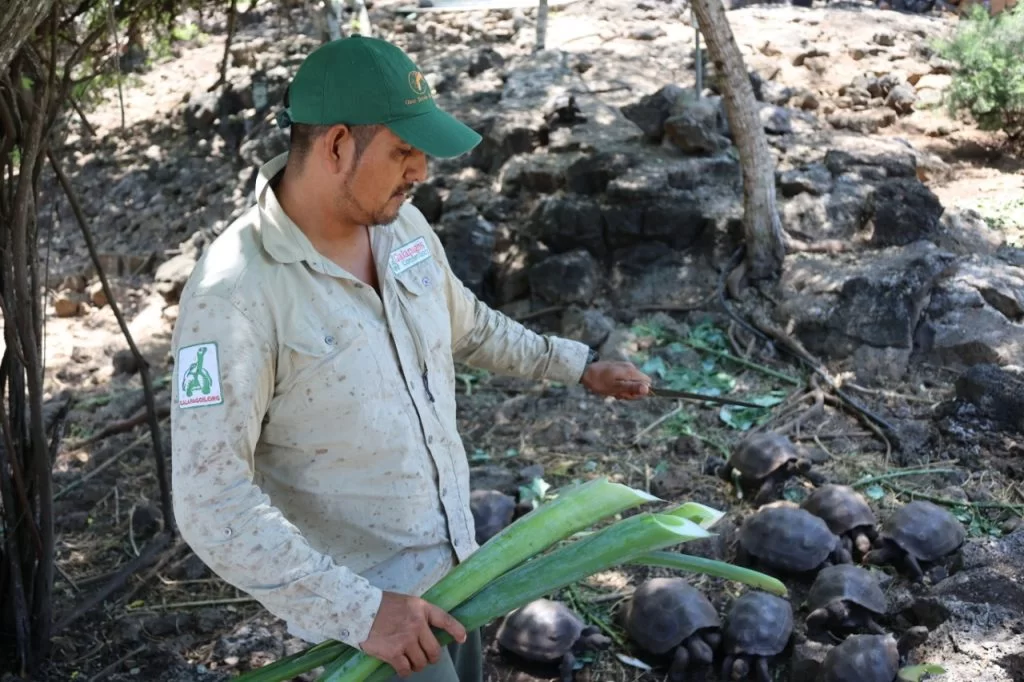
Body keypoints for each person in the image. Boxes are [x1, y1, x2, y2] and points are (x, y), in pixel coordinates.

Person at [169, 35, 652, 682]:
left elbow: (469, 325)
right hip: (368, 631)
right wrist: (362, 612)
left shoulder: (403, 230)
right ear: (338, 145)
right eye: (403, 151)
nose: (421, 171)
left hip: (460, 570)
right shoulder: (236, 296)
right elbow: (210, 499)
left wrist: (574, 365)